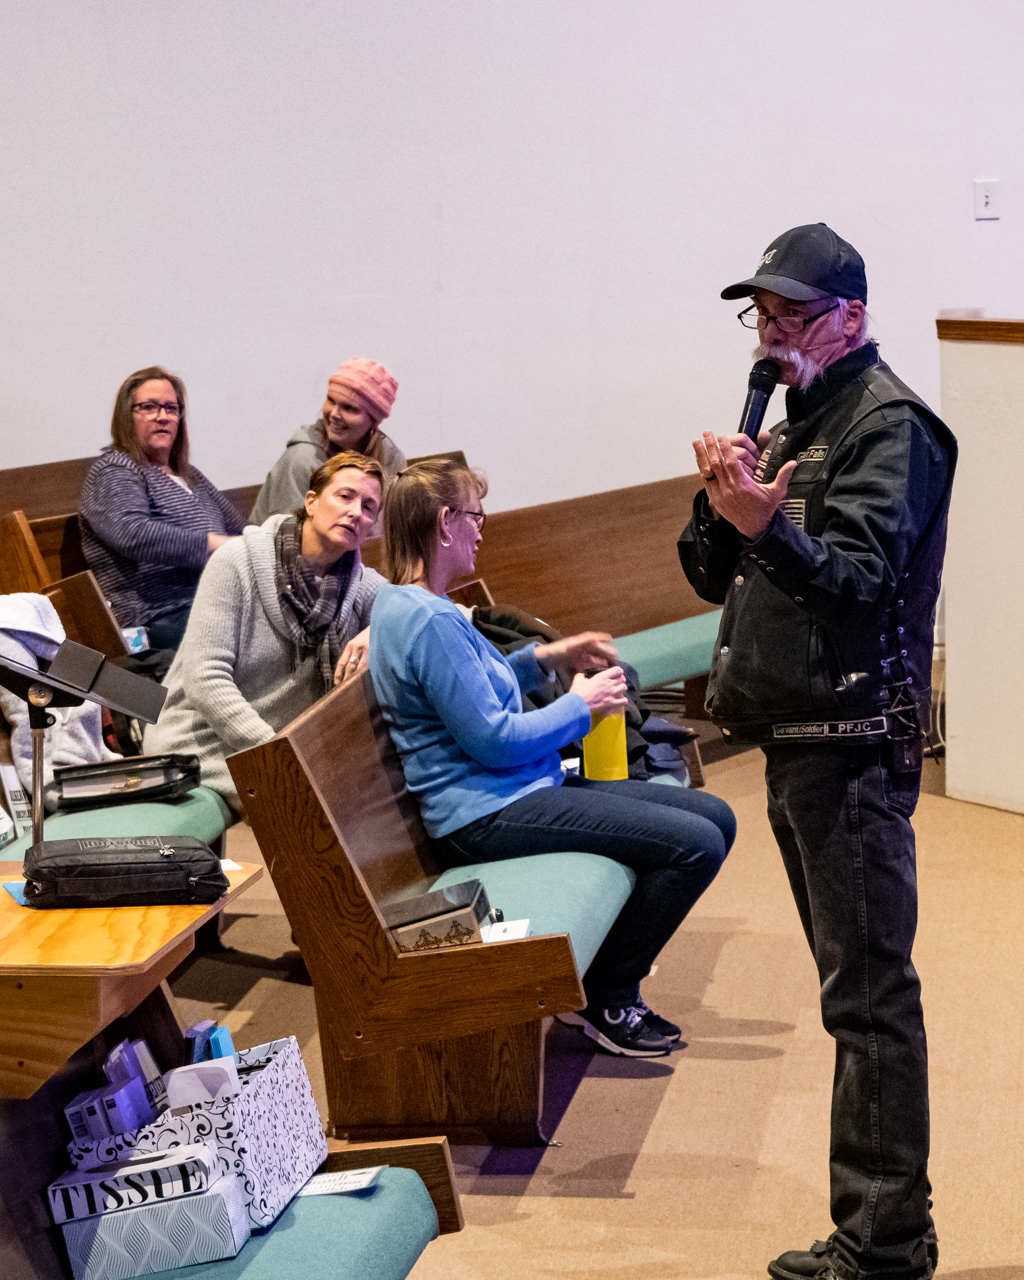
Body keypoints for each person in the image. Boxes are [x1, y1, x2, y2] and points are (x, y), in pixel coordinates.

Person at [678, 224, 957, 1280]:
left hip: (849, 746)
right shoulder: (795, 423)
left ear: (851, 316)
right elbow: (713, 576)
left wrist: (766, 524)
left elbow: (861, 581)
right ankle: (880, 1228)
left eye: (792, 314)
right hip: (794, 739)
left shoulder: (893, 428)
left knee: (870, 994)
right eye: (763, 315)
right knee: (852, 987)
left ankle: (886, 1240)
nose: (773, 334)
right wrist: (723, 503)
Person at [369, 459, 736, 1057]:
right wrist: (579, 705)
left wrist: (547, 657)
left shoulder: (409, 605)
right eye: (476, 516)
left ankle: (600, 982)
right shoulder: (428, 618)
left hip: (510, 790)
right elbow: (493, 738)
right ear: (444, 524)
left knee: (715, 817)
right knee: (694, 844)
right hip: (483, 814)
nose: (482, 530)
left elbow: (472, 692)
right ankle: (607, 994)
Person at [144, 452, 386, 800]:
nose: (355, 512)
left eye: (368, 507)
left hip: (285, 753)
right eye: (344, 496)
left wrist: (377, 630)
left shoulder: (361, 587)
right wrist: (277, 754)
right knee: (333, 802)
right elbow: (205, 678)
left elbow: (435, 615)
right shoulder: (236, 561)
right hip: (202, 745)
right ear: (312, 502)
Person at [80, 366, 245, 650]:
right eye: (149, 407)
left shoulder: (190, 476)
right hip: (156, 618)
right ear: (126, 415)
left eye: (171, 408)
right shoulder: (116, 469)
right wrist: (213, 543)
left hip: (209, 602)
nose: (162, 416)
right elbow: (132, 533)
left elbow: (241, 532)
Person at [249, 357, 404, 530]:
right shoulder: (302, 458)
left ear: (373, 421)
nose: (334, 414)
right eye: (331, 400)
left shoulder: (390, 458)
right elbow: (289, 539)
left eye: (349, 408)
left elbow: (390, 530)